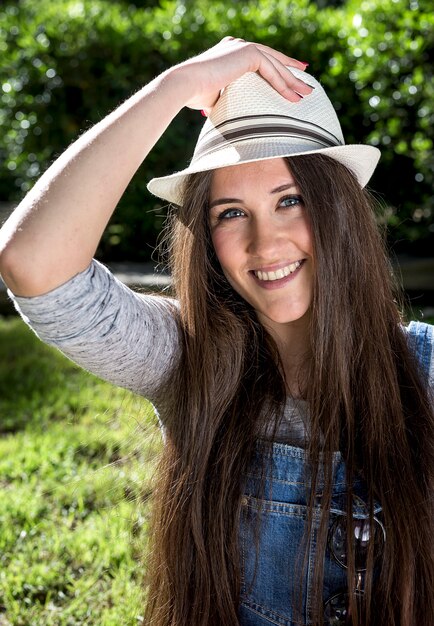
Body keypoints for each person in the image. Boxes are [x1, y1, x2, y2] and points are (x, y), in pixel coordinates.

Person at [0, 37, 433, 626]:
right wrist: (173, 86)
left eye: (291, 200)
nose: (265, 242)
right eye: (231, 213)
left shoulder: (425, 371)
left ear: (340, 209)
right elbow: (33, 262)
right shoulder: (189, 358)